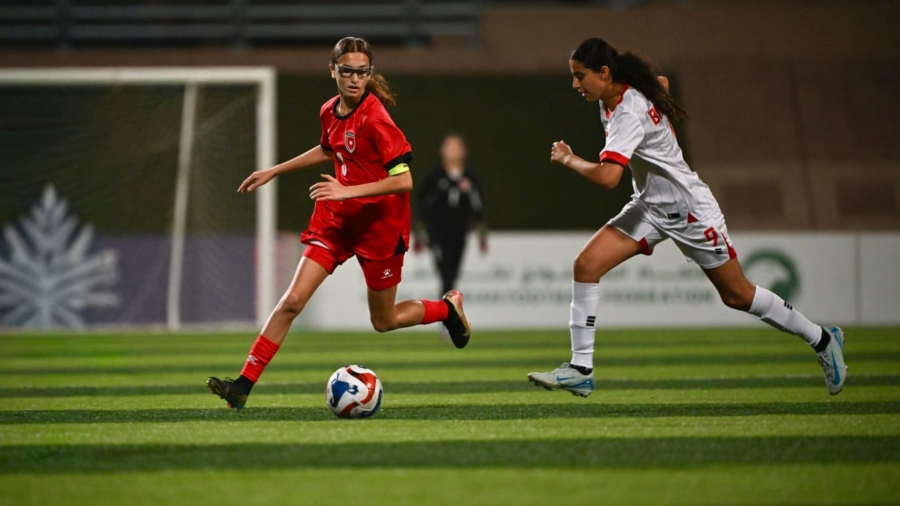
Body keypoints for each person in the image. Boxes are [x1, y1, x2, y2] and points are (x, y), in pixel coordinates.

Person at [527, 37, 846, 398]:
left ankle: (823, 339)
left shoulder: (627, 112)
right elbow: (660, 83)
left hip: (690, 212)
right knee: (586, 265)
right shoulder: (620, 94)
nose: (575, 84)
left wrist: (568, 158)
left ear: (603, 73)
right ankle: (580, 369)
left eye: (579, 75)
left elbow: (609, 177)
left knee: (738, 295)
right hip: (651, 206)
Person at [207, 37, 471, 410]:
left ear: (369, 73)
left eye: (362, 72)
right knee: (292, 300)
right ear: (333, 70)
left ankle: (446, 309)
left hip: (379, 227)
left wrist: (348, 191)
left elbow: (403, 180)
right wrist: (275, 170)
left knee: (384, 320)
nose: (355, 79)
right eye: (347, 71)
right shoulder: (329, 110)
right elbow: (329, 148)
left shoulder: (376, 119)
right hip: (336, 221)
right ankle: (242, 386)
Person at [413, 133, 488, 298]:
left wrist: (482, 234)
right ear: (442, 150)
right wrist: (418, 234)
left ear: (464, 151)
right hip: (436, 231)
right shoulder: (434, 178)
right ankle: (447, 309)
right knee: (444, 272)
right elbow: (422, 205)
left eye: (457, 147)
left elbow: (478, 206)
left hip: (460, 231)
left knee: (453, 273)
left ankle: (446, 307)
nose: (453, 150)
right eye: (449, 146)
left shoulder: (470, 178)